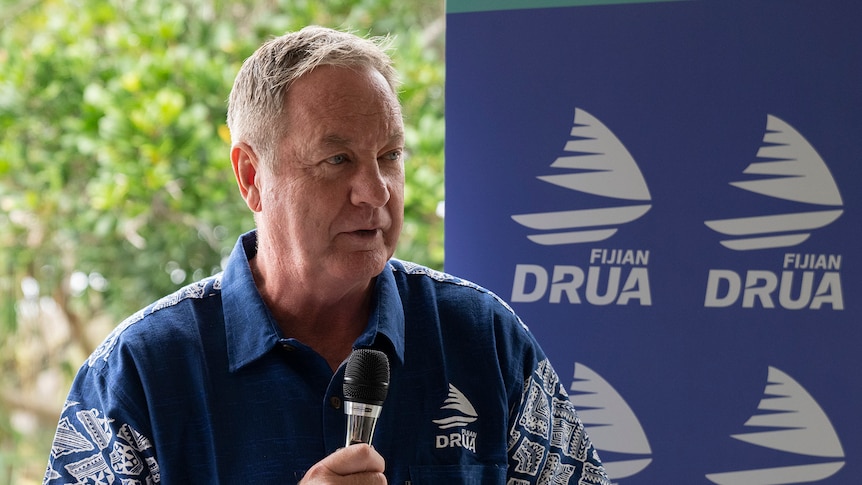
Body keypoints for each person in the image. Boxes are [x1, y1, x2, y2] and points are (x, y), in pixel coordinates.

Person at [43, 26, 610, 484]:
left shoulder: (485, 338)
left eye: (389, 156)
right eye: (337, 160)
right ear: (250, 177)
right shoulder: (139, 372)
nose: (376, 191)